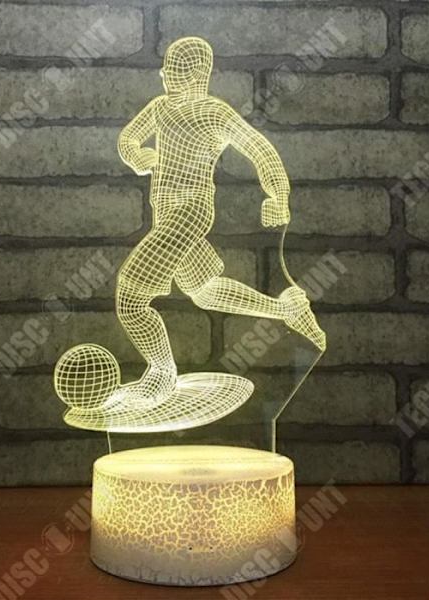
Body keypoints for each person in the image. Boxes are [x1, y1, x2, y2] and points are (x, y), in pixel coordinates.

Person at [112, 36, 325, 408]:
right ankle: (286, 310)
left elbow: (260, 149)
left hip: (190, 212)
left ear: (198, 74)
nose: (165, 77)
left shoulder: (214, 113)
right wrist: (137, 156)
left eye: (175, 71)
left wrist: (278, 195)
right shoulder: (160, 107)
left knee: (131, 299)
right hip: (166, 212)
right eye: (165, 70)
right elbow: (128, 138)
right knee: (204, 290)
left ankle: (162, 374)